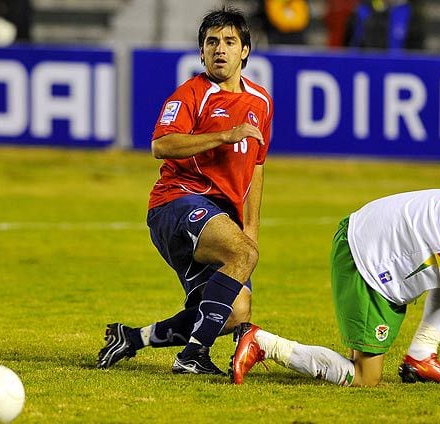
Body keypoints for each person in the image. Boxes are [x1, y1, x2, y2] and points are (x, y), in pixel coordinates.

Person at [230, 189, 440, 393]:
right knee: (366, 378)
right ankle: (263, 343)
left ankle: (421, 356)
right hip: (365, 258)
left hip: (369, 238)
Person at [96, 6, 273, 375]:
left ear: (245, 50)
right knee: (240, 255)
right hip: (177, 202)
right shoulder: (193, 93)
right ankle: (192, 356)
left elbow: (257, 166)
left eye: (228, 41)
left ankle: (130, 338)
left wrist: (251, 228)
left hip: (220, 215)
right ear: (202, 52)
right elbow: (162, 145)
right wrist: (224, 135)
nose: (219, 49)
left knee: (232, 312)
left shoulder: (260, 102)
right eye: (211, 43)